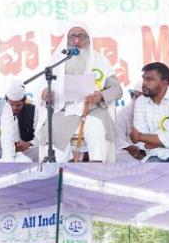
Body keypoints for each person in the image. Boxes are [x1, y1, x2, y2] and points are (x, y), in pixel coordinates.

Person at [36, 23, 123, 162]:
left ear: (88, 39)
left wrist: (101, 96)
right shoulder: (58, 61)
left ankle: (98, 170)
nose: (76, 41)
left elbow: (117, 90)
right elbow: (42, 89)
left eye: (80, 36)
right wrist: (47, 94)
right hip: (64, 110)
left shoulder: (100, 61)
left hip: (92, 110)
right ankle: (59, 172)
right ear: (67, 39)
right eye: (72, 36)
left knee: (96, 127)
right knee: (54, 133)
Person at [0, 82, 37, 162]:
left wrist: (29, 144)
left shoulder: (33, 111)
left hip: (26, 151)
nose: (14, 108)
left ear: (24, 102)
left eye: (18, 105)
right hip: (4, 151)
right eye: (11, 105)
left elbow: (40, 136)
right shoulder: (0, 111)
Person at [116, 81, 146, 162]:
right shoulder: (123, 114)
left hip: (149, 151)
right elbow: (118, 138)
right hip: (129, 151)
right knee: (120, 156)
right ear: (133, 95)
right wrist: (129, 147)